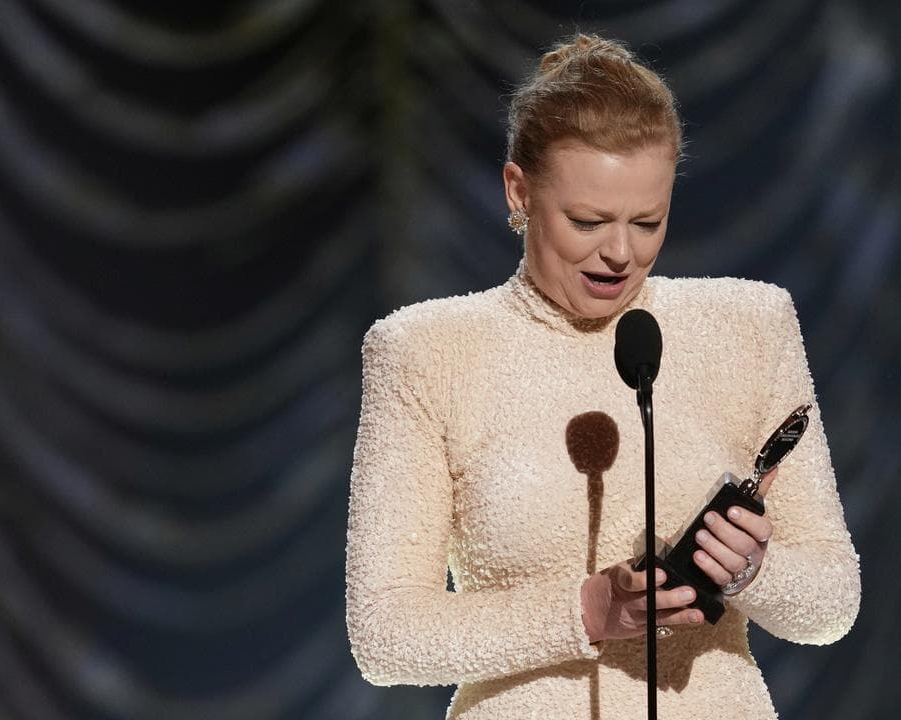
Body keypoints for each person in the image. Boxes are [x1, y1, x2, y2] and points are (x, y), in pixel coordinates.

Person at [345, 33, 860, 719]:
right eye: (587, 221)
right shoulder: (426, 352)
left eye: (647, 221)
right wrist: (585, 611)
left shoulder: (749, 327)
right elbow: (385, 635)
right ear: (519, 191)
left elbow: (832, 604)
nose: (620, 252)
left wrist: (753, 571)